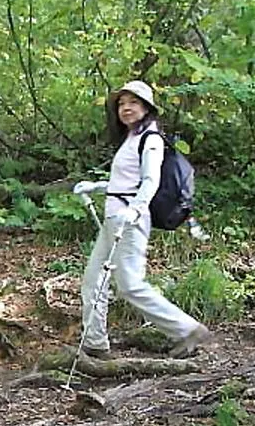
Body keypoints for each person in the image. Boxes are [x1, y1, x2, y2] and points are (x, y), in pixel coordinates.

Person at [73, 80, 212, 359]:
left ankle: (187, 330)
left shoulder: (151, 139)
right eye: (122, 103)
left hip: (129, 220)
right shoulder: (132, 138)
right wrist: (97, 186)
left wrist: (135, 211)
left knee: (130, 285)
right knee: (93, 281)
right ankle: (95, 342)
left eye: (133, 103)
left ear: (146, 107)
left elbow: (150, 181)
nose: (126, 108)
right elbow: (126, 180)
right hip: (115, 216)